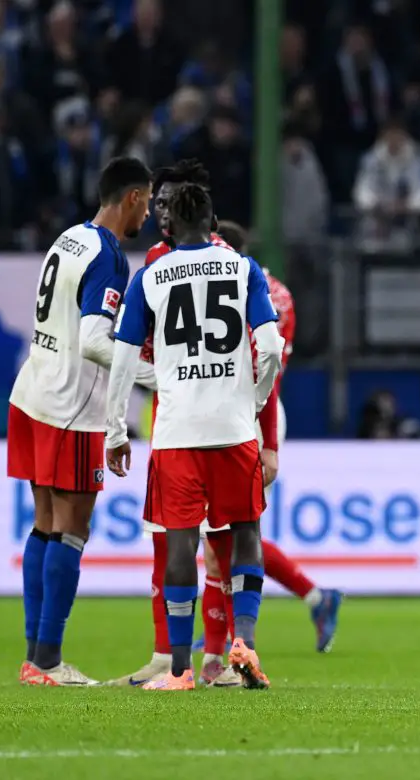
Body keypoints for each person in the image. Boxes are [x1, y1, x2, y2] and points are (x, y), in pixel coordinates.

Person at [105, 183, 284, 691]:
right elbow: (269, 346)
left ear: (170, 226)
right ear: (211, 221)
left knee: (181, 541)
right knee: (246, 533)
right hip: (232, 428)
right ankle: (243, 639)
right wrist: (254, 397)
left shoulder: (151, 277)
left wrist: (116, 431)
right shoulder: (243, 268)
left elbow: (123, 359)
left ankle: (181, 670)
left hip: (177, 429)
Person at [9, 156, 154, 686]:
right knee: (72, 528)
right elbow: (95, 339)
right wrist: (155, 375)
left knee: (45, 523)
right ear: (133, 198)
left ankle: (35, 659)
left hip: (32, 392)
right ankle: (47, 661)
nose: (151, 217)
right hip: (71, 406)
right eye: (149, 202)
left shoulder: (69, 237)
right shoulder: (112, 257)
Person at [190, 220, 343, 657]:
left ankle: (224, 641)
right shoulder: (278, 292)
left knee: (229, 532)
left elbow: (265, 366)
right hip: (262, 409)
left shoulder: (235, 287)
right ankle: (310, 600)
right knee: (229, 531)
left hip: (247, 412)